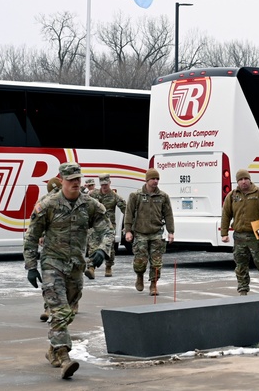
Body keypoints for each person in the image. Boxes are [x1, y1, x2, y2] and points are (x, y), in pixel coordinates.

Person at [23, 162, 113, 379]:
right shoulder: (48, 205)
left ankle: (52, 351)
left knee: (68, 313)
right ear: (62, 180)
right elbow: (32, 235)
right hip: (52, 265)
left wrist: (103, 250)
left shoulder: (89, 204)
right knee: (60, 311)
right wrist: (31, 267)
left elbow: (107, 229)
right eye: (71, 179)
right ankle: (64, 357)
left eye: (78, 179)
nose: (75, 183)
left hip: (75, 267)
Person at [220, 169, 259, 295]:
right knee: (240, 266)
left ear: (250, 180)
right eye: (240, 180)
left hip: (256, 236)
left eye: (245, 179)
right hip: (239, 237)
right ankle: (243, 290)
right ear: (237, 182)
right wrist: (224, 233)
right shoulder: (232, 196)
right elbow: (226, 214)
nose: (243, 182)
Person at [123, 168, 175, 296]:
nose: (155, 181)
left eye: (157, 179)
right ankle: (139, 276)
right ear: (147, 180)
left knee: (157, 262)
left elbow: (168, 214)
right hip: (140, 232)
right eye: (153, 179)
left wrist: (171, 231)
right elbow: (128, 213)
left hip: (156, 233)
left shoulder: (163, 196)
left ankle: (153, 285)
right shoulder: (136, 196)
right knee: (140, 261)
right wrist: (128, 231)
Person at [89, 174, 126, 278]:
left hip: (109, 226)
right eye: (102, 185)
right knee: (93, 245)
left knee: (110, 247)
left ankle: (108, 266)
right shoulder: (94, 194)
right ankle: (91, 267)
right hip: (95, 224)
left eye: (106, 184)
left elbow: (125, 209)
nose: (104, 187)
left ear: (109, 183)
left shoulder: (114, 196)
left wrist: (128, 224)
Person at [36, 177, 62, 323]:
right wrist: (40, 235)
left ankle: (71, 304)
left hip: (68, 249)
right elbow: (37, 222)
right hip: (50, 248)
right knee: (49, 280)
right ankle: (48, 308)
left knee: (70, 283)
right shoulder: (44, 201)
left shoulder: (70, 200)